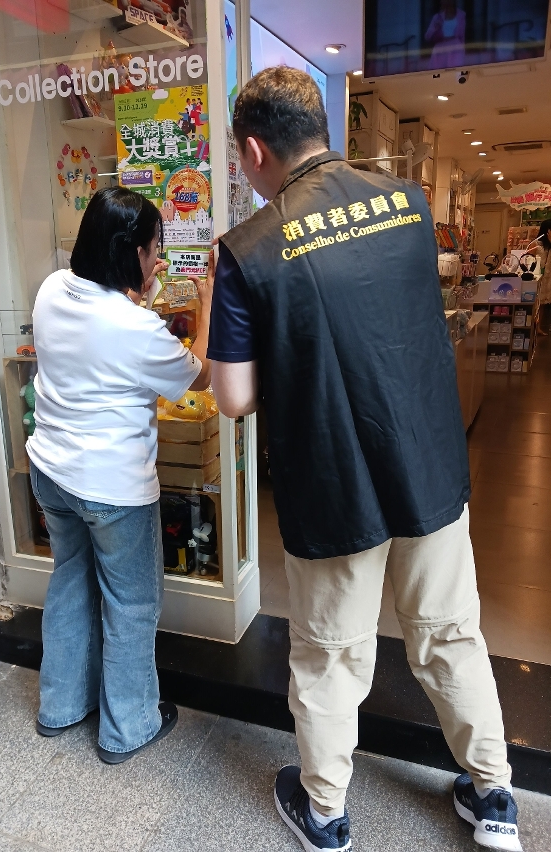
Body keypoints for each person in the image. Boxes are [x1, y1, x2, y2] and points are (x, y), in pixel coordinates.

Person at [208, 67, 521, 852]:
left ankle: (324, 813)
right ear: (320, 127)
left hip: (335, 480)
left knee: (330, 655)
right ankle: (493, 798)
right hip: (425, 461)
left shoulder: (248, 250)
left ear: (254, 150)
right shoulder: (409, 205)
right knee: (449, 633)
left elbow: (234, 397)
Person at [27, 187, 212, 764]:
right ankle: (127, 727)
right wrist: (207, 303)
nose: (159, 259)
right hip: (112, 488)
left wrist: (140, 294)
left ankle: (60, 707)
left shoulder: (52, 289)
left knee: (70, 582)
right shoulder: (135, 327)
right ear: (130, 252)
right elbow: (200, 375)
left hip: (51, 471)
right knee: (131, 604)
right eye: (154, 249)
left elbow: (102, 330)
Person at [425, 0, 467, 71]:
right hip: (441, 48)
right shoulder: (437, 17)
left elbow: (462, 35)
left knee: (455, 71)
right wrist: (436, 28)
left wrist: (463, 50)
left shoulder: (461, 15)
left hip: (456, 48)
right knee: (440, 73)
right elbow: (427, 36)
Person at [533, 219, 551, 335]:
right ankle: (535, 327)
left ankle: (540, 327)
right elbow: (528, 258)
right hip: (540, 277)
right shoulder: (536, 244)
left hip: (549, 278)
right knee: (538, 303)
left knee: (544, 303)